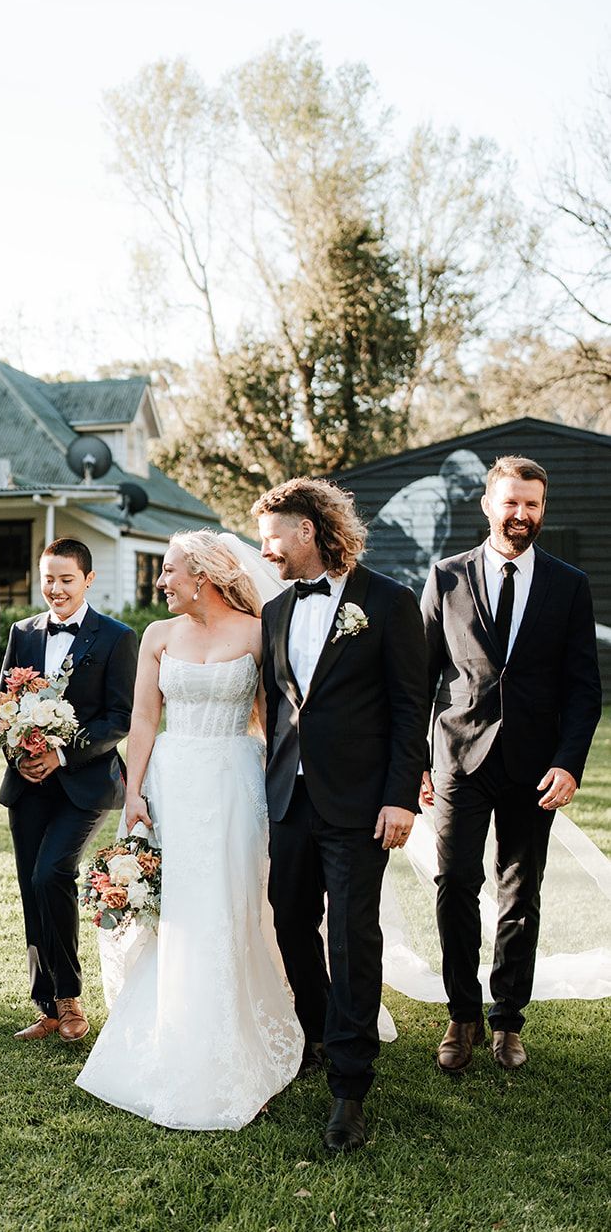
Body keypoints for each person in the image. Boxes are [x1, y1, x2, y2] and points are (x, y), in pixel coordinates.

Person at [75, 531, 303, 1128]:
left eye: (169, 571)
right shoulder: (159, 635)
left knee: (231, 906)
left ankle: (238, 1034)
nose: (160, 582)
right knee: (174, 907)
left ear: (201, 574)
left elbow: (275, 719)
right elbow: (144, 717)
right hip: (172, 784)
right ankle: (170, 1027)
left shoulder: (258, 632)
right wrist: (135, 795)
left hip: (233, 782)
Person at [255, 479, 427, 1154]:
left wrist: (398, 795)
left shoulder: (388, 602)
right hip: (289, 800)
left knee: (351, 936)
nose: (264, 550)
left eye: (271, 536)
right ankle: (319, 1032)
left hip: (361, 804)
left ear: (305, 531)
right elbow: (274, 710)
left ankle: (350, 1089)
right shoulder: (272, 612)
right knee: (290, 920)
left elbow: (410, 707)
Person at [420, 455, 602, 1072]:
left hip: (534, 766)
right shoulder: (445, 577)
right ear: (488, 504)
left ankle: (507, 1020)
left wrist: (570, 763)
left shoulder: (568, 584)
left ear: (542, 508)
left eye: (533, 504)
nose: (521, 515)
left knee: (520, 893)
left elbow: (583, 688)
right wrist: (417, 763)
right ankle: (461, 1014)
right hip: (458, 758)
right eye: (511, 502)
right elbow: (418, 679)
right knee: (454, 888)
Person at [0, 538, 137, 1044]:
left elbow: (118, 717)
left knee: (51, 873)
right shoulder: (22, 633)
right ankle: (48, 1007)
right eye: (48, 578)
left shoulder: (117, 638)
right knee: (30, 890)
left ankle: (71, 997)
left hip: (85, 783)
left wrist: (61, 754)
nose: (55, 589)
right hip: (27, 783)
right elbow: (4, 705)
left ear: (88, 580)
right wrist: (19, 751)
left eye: (66, 579)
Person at [364, 449, 486, 593]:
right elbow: (423, 551)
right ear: (453, 480)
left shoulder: (440, 501)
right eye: (466, 490)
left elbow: (432, 554)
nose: (466, 498)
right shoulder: (430, 496)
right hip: (380, 562)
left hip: (397, 565)